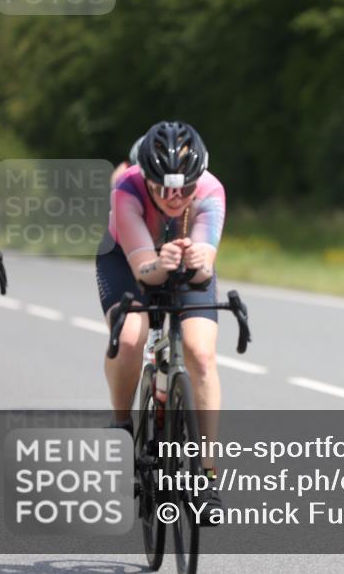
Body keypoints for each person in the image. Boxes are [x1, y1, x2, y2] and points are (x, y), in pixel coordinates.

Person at [97, 121, 226, 522]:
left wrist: (199, 262)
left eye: (184, 190)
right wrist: (160, 262)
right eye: (162, 190)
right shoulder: (127, 190)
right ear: (147, 178)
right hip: (127, 259)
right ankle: (121, 426)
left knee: (201, 355)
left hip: (182, 260)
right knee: (132, 336)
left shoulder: (211, 190)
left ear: (197, 179)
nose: (174, 199)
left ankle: (205, 476)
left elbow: (203, 270)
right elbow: (143, 269)